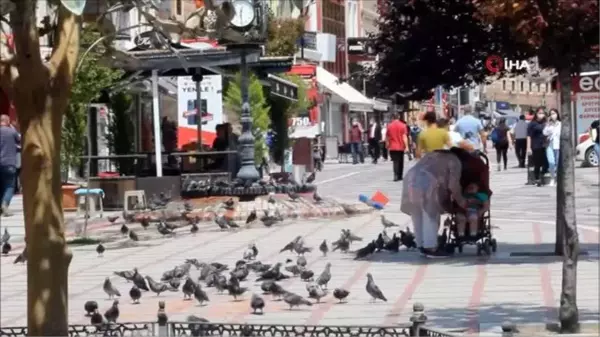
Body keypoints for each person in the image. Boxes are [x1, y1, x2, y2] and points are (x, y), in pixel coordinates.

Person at [401, 148, 468, 258]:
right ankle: (430, 247)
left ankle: (421, 244)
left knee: (417, 214)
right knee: (430, 216)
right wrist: (461, 201)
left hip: (411, 181)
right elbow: (453, 185)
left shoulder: (431, 155)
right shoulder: (454, 160)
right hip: (428, 186)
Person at [0, 114, 20, 216]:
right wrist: (12, 127)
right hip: (9, 163)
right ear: (7, 122)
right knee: (9, 186)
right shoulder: (11, 132)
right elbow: (19, 140)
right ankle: (4, 204)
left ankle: (1, 208)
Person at [527, 109, 549, 186]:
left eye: (543, 113)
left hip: (544, 145)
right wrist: (528, 147)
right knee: (537, 164)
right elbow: (529, 136)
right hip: (535, 146)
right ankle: (537, 179)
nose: (541, 114)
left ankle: (542, 176)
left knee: (546, 163)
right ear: (536, 114)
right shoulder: (532, 124)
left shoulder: (545, 123)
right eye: (539, 113)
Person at [386, 113, 409, 181]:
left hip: (392, 146)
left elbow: (387, 136)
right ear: (398, 117)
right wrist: (407, 146)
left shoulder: (389, 126)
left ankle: (395, 175)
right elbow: (404, 136)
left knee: (395, 161)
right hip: (400, 146)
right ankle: (400, 175)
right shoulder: (403, 125)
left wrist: (387, 144)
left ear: (393, 117)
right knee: (401, 161)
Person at [543, 109, 561, 186]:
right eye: (551, 114)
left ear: (557, 114)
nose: (553, 115)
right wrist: (548, 125)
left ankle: (557, 179)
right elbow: (544, 132)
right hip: (550, 144)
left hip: (558, 145)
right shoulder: (549, 125)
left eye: (554, 113)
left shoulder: (560, 124)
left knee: (557, 163)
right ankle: (552, 179)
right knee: (551, 162)